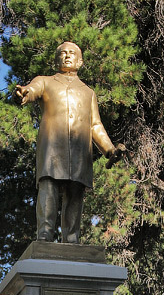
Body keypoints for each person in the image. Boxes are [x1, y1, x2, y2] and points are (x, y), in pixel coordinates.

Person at [16, 42, 122, 243]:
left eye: (72, 53)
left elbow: (95, 125)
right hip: (52, 147)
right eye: (63, 53)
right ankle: (45, 235)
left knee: (75, 193)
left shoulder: (88, 92)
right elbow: (32, 90)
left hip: (80, 150)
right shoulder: (45, 82)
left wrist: (109, 149)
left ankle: (71, 238)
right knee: (48, 187)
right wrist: (24, 93)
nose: (67, 56)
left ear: (80, 61)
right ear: (56, 60)